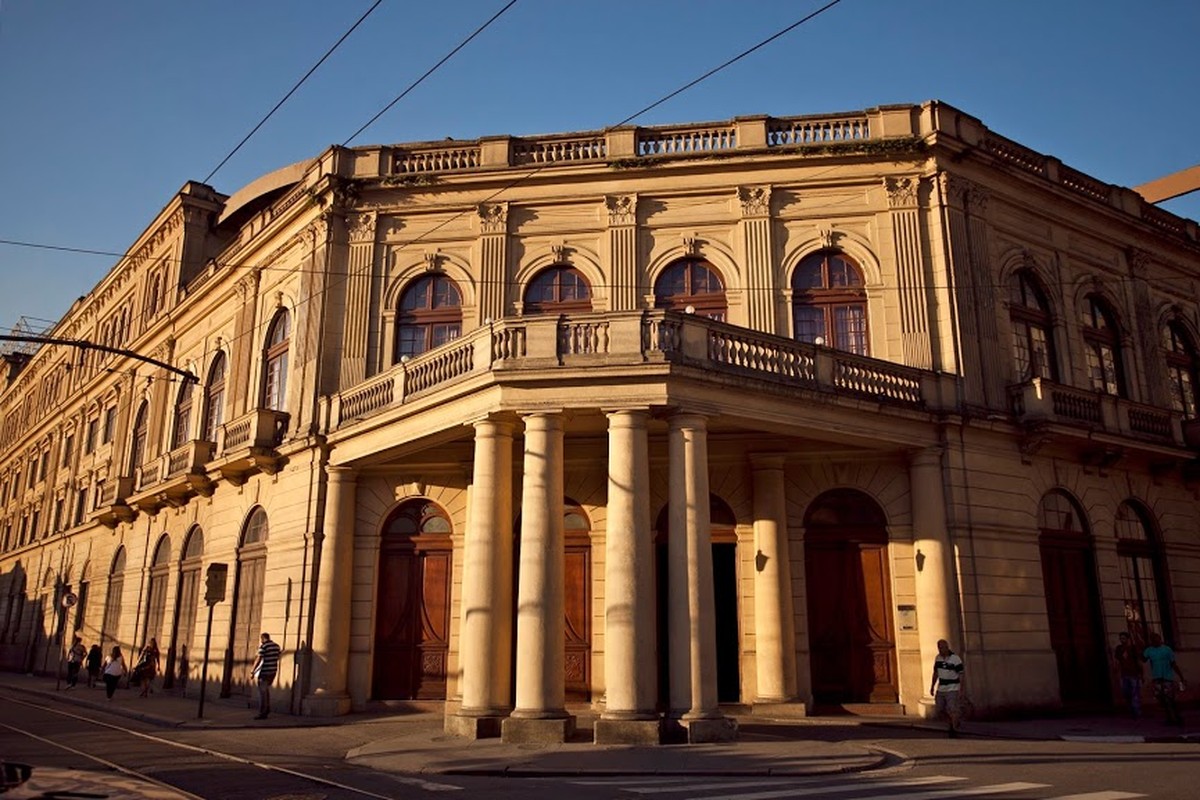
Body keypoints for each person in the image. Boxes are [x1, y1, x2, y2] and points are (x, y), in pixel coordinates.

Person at [1144, 632, 1186, 726]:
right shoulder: (1149, 650)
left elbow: (1173, 664)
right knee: (1162, 700)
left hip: (1167, 677)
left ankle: (1175, 718)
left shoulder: (1167, 649)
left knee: (1169, 700)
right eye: (1153, 639)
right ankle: (1170, 717)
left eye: (1157, 639)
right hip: (1157, 678)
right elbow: (1143, 659)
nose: (1156, 641)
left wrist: (1181, 676)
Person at [930, 639, 965, 737]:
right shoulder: (938, 658)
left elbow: (961, 674)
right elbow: (935, 673)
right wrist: (932, 686)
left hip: (952, 688)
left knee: (952, 709)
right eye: (939, 648)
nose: (941, 650)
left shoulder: (955, 659)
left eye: (943, 647)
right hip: (941, 688)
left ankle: (953, 729)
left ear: (947, 647)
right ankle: (953, 721)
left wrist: (961, 689)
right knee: (940, 709)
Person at [250, 632, 282, 720]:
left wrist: (252, 671)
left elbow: (258, 659)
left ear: (263, 638)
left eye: (261, 639)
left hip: (264, 672)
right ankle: (266, 709)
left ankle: (262, 712)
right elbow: (278, 656)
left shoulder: (264, 647)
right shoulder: (276, 646)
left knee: (262, 693)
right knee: (266, 691)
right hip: (273, 671)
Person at [1113, 632, 1145, 718]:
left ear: (1128, 639)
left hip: (1133, 673)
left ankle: (1136, 711)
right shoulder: (1119, 648)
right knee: (1126, 692)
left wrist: (1141, 674)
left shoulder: (1133, 648)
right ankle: (1131, 709)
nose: (1122, 640)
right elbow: (1117, 661)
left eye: (1123, 638)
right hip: (1124, 673)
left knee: (1135, 692)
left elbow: (1138, 662)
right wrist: (1117, 671)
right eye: (1121, 638)